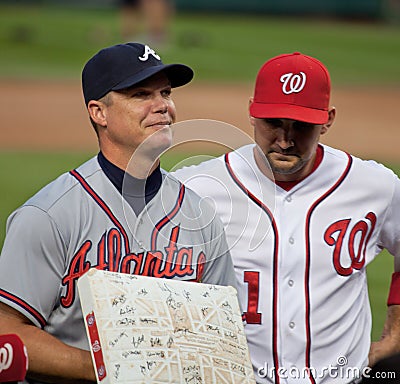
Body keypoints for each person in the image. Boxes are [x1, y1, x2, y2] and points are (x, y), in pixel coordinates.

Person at [0, 42, 239, 383]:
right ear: (99, 112)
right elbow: (7, 333)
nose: (163, 106)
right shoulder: (49, 215)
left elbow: (222, 337)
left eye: (166, 92)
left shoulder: (198, 214)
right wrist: (115, 368)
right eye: (141, 94)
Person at [172, 52, 400, 383]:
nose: (284, 140)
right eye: (273, 122)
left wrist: (394, 336)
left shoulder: (375, 186)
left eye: (301, 126)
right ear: (252, 112)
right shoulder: (197, 188)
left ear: (328, 119)